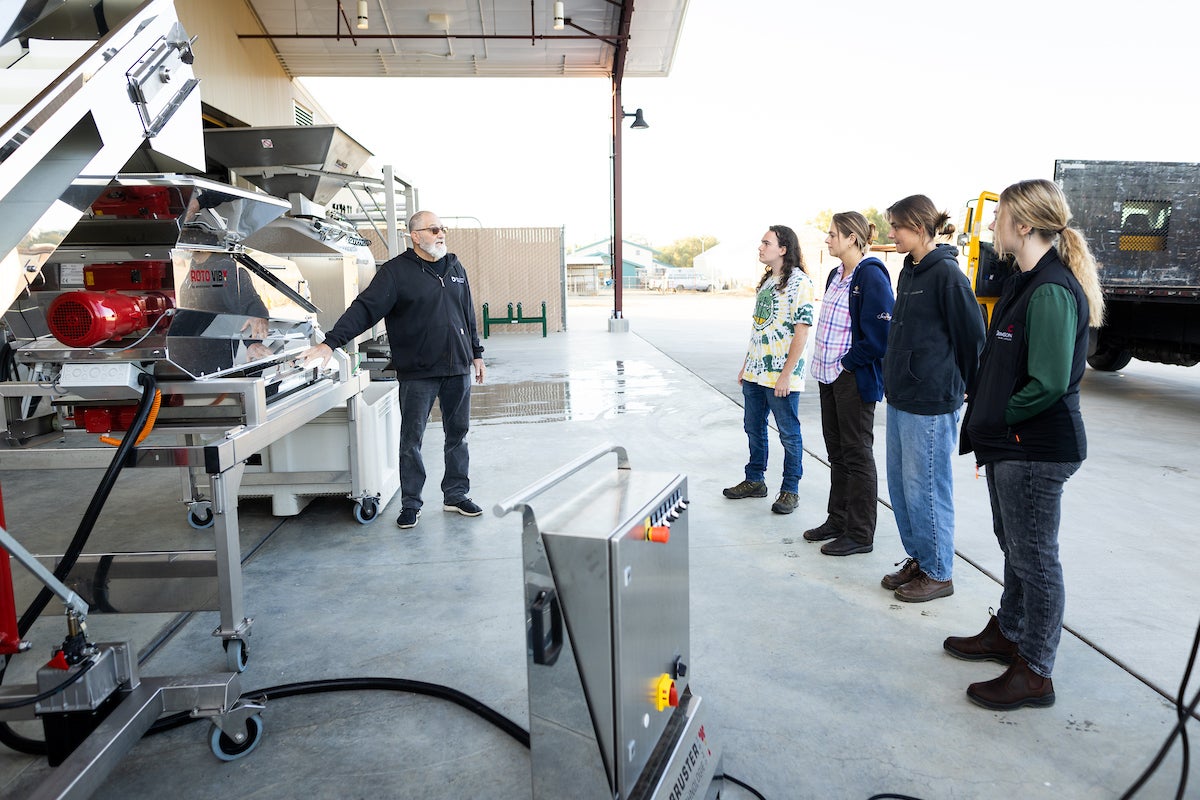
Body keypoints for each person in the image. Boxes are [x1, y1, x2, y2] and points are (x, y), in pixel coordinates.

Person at [948, 179, 1103, 710]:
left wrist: (994, 418)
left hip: (1037, 447)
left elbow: (1051, 382)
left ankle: (1036, 670)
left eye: (999, 219)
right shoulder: (1023, 280)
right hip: (1011, 443)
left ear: (1025, 226)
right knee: (1016, 547)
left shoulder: (1053, 289)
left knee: (1036, 559)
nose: (991, 227)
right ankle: (1010, 632)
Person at [301, 211, 486, 530]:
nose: (441, 233)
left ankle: (456, 494)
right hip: (418, 372)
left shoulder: (456, 267)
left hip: (458, 368)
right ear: (415, 236)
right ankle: (411, 503)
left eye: (442, 229)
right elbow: (365, 308)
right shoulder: (396, 272)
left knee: (458, 435)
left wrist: (477, 354)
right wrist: (330, 343)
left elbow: (466, 312)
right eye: (434, 229)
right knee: (411, 439)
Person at [881, 195, 985, 601]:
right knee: (902, 488)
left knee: (926, 488)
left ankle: (939, 571)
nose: (891, 233)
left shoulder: (948, 275)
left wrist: (963, 389)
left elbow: (972, 338)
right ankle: (920, 559)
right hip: (902, 396)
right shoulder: (909, 270)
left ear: (920, 229)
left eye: (897, 227)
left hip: (931, 400)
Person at [804, 212, 894, 556]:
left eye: (832, 234)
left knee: (857, 455)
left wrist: (847, 365)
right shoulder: (834, 275)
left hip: (851, 378)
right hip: (827, 376)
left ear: (852, 238)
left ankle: (860, 534)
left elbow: (881, 335)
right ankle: (837, 520)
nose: (827, 240)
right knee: (837, 454)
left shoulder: (870, 276)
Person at [723, 225, 815, 515]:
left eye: (766, 243)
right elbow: (759, 328)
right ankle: (755, 480)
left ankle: (790, 489)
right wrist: (745, 365)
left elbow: (801, 332)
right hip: (755, 372)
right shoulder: (766, 282)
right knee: (753, 427)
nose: (760, 247)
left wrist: (786, 374)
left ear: (783, 249)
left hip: (780, 375)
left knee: (788, 433)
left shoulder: (800, 283)